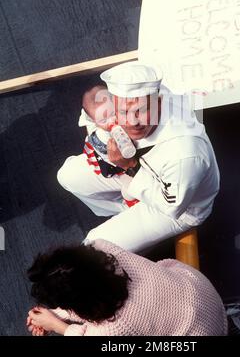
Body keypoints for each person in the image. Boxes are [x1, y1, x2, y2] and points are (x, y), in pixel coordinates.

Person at [57, 62, 220, 252]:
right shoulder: (139, 96)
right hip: (140, 173)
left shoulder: (185, 153)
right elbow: (91, 114)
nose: (133, 122)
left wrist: (130, 166)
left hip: (178, 206)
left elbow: (171, 206)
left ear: (158, 102)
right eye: (124, 112)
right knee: (67, 176)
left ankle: (135, 224)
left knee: (94, 246)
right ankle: (127, 210)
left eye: (142, 111)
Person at [26, 239, 227, 336]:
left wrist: (56, 325)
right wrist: (55, 314)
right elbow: (86, 287)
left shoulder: (115, 328)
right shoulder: (103, 247)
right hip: (200, 293)